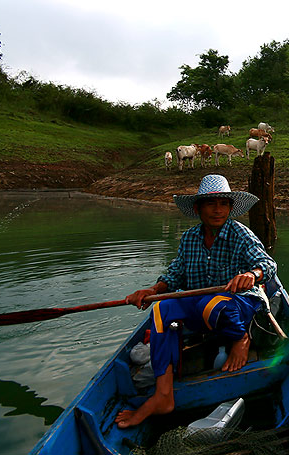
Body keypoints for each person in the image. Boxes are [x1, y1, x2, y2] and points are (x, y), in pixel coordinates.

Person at [115, 174, 277, 429]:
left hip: (239, 305)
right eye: (211, 204)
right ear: (198, 208)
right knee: (161, 309)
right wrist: (153, 289)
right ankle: (163, 395)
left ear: (230, 207)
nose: (217, 210)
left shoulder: (240, 234)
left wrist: (251, 274)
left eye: (224, 204)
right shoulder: (190, 238)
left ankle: (241, 338)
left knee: (212, 303)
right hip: (204, 307)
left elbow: (268, 265)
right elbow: (175, 274)